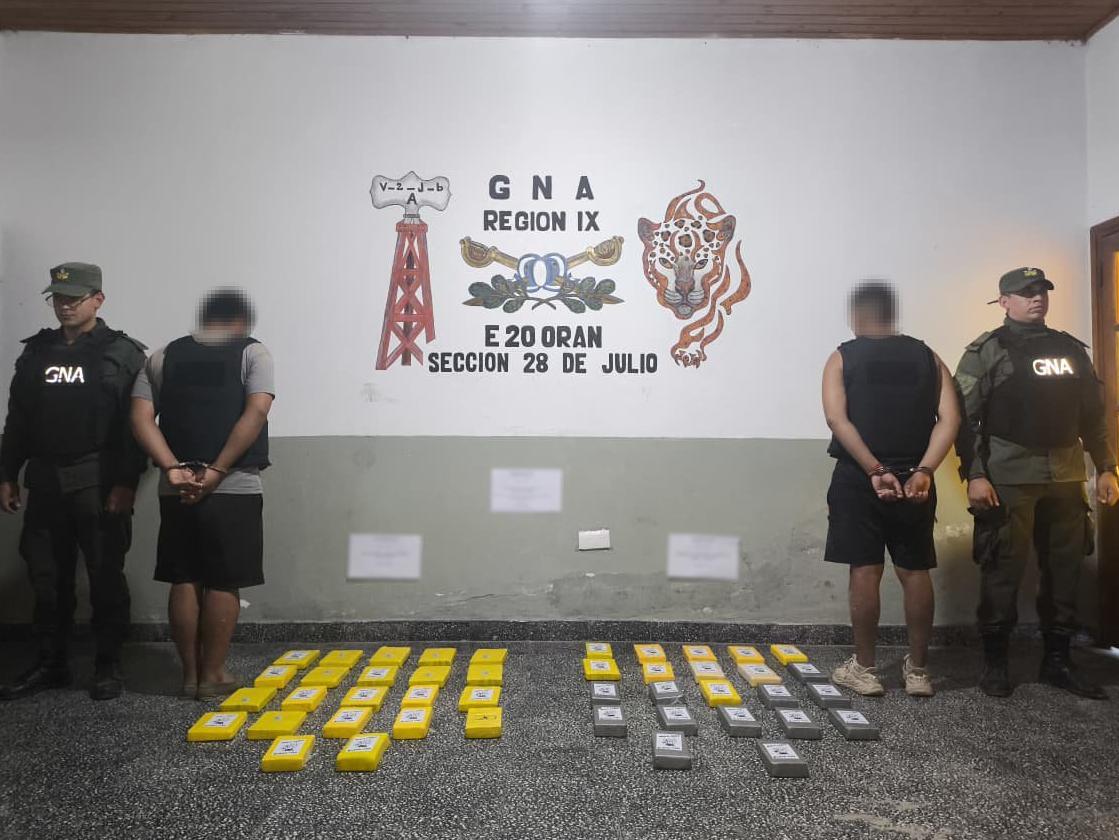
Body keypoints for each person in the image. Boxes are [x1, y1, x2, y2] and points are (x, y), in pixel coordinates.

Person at [955, 267, 1118, 699]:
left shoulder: (1069, 349)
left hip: (1066, 475)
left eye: (1042, 291)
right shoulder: (986, 351)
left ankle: (1058, 662)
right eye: (1026, 293)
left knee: (1066, 570)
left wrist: (1107, 466)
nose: (1037, 298)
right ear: (1004, 301)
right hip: (1009, 476)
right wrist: (975, 474)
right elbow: (964, 420)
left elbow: (1093, 416)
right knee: (1002, 569)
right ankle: (995, 664)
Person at [0, 263, 146, 701]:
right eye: (58, 298)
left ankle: (108, 663)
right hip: (45, 479)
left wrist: (126, 483)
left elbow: (135, 426)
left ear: (98, 300)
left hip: (97, 479)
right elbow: (18, 420)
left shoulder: (122, 353)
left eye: (74, 299)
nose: (64, 306)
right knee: (46, 577)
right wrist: (7, 474)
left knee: (105, 575)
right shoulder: (37, 353)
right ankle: (52, 662)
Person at [130, 288, 274, 700]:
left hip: (176, 487)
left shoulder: (163, 356)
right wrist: (218, 470)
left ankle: (190, 675)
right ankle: (213, 675)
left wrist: (171, 468)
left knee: (184, 576)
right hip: (233, 485)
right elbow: (256, 411)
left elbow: (140, 418)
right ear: (240, 321)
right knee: (224, 581)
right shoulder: (253, 353)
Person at [822, 282, 960, 697]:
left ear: (858, 315)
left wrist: (874, 469)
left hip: (860, 478)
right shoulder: (928, 357)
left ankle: (865, 669)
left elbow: (837, 420)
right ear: (892, 314)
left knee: (865, 569)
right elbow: (950, 419)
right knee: (915, 570)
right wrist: (924, 470)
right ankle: (918, 671)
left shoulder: (843, 357)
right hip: (915, 480)